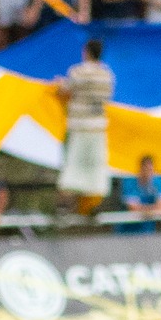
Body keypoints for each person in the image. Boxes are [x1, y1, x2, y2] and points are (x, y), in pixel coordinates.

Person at [57, 37, 115, 217]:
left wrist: (59, 85)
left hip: (79, 127)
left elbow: (65, 91)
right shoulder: (108, 75)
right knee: (96, 169)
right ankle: (92, 207)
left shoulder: (77, 72)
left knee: (72, 167)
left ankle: (65, 208)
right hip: (98, 128)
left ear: (86, 52)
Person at [117, 154, 161, 232]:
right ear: (140, 168)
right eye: (145, 169)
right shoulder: (129, 182)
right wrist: (157, 209)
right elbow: (134, 209)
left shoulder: (160, 181)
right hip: (127, 230)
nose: (148, 173)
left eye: (150, 170)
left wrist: (145, 209)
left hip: (148, 230)